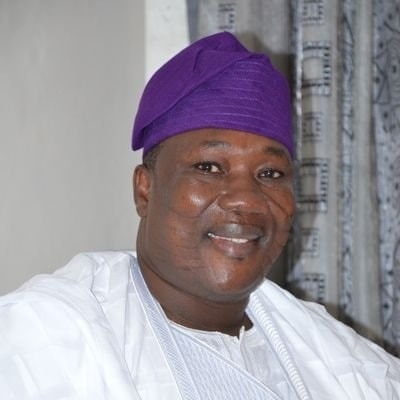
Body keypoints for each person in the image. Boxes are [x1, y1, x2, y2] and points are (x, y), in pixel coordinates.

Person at [0, 32, 399, 400]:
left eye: (270, 174)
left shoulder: (342, 360)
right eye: (209, 167)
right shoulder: (47, 338)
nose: (246, 200)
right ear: (145, 189)